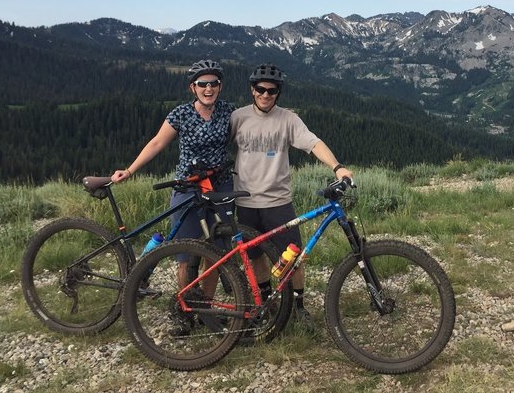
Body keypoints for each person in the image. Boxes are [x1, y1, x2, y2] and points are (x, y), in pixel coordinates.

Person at [230, 63, 353, 329]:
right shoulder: (237, 117)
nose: (265, 95)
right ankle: (266, 301)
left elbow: (313, 143)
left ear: (278, 92)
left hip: (278, 201)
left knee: (293, 257)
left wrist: (337, 166)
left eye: (271, 91)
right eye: (260, 89)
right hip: (245, 201)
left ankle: (299, 306)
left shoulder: (288, 119)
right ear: (252, 90)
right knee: (256, 258)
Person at [111, 59, 236, 301]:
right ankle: (185, 308)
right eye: (202, 84)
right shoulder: (181, 113)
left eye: (214, 83)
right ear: (193, 87)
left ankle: (205, 309)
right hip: (188, 188)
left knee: (216, 254)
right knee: (184, 255)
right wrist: (130, 170)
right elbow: (157, 142)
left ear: (220, 86)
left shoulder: (229, 111)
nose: (208, 89)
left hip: (220, 186)